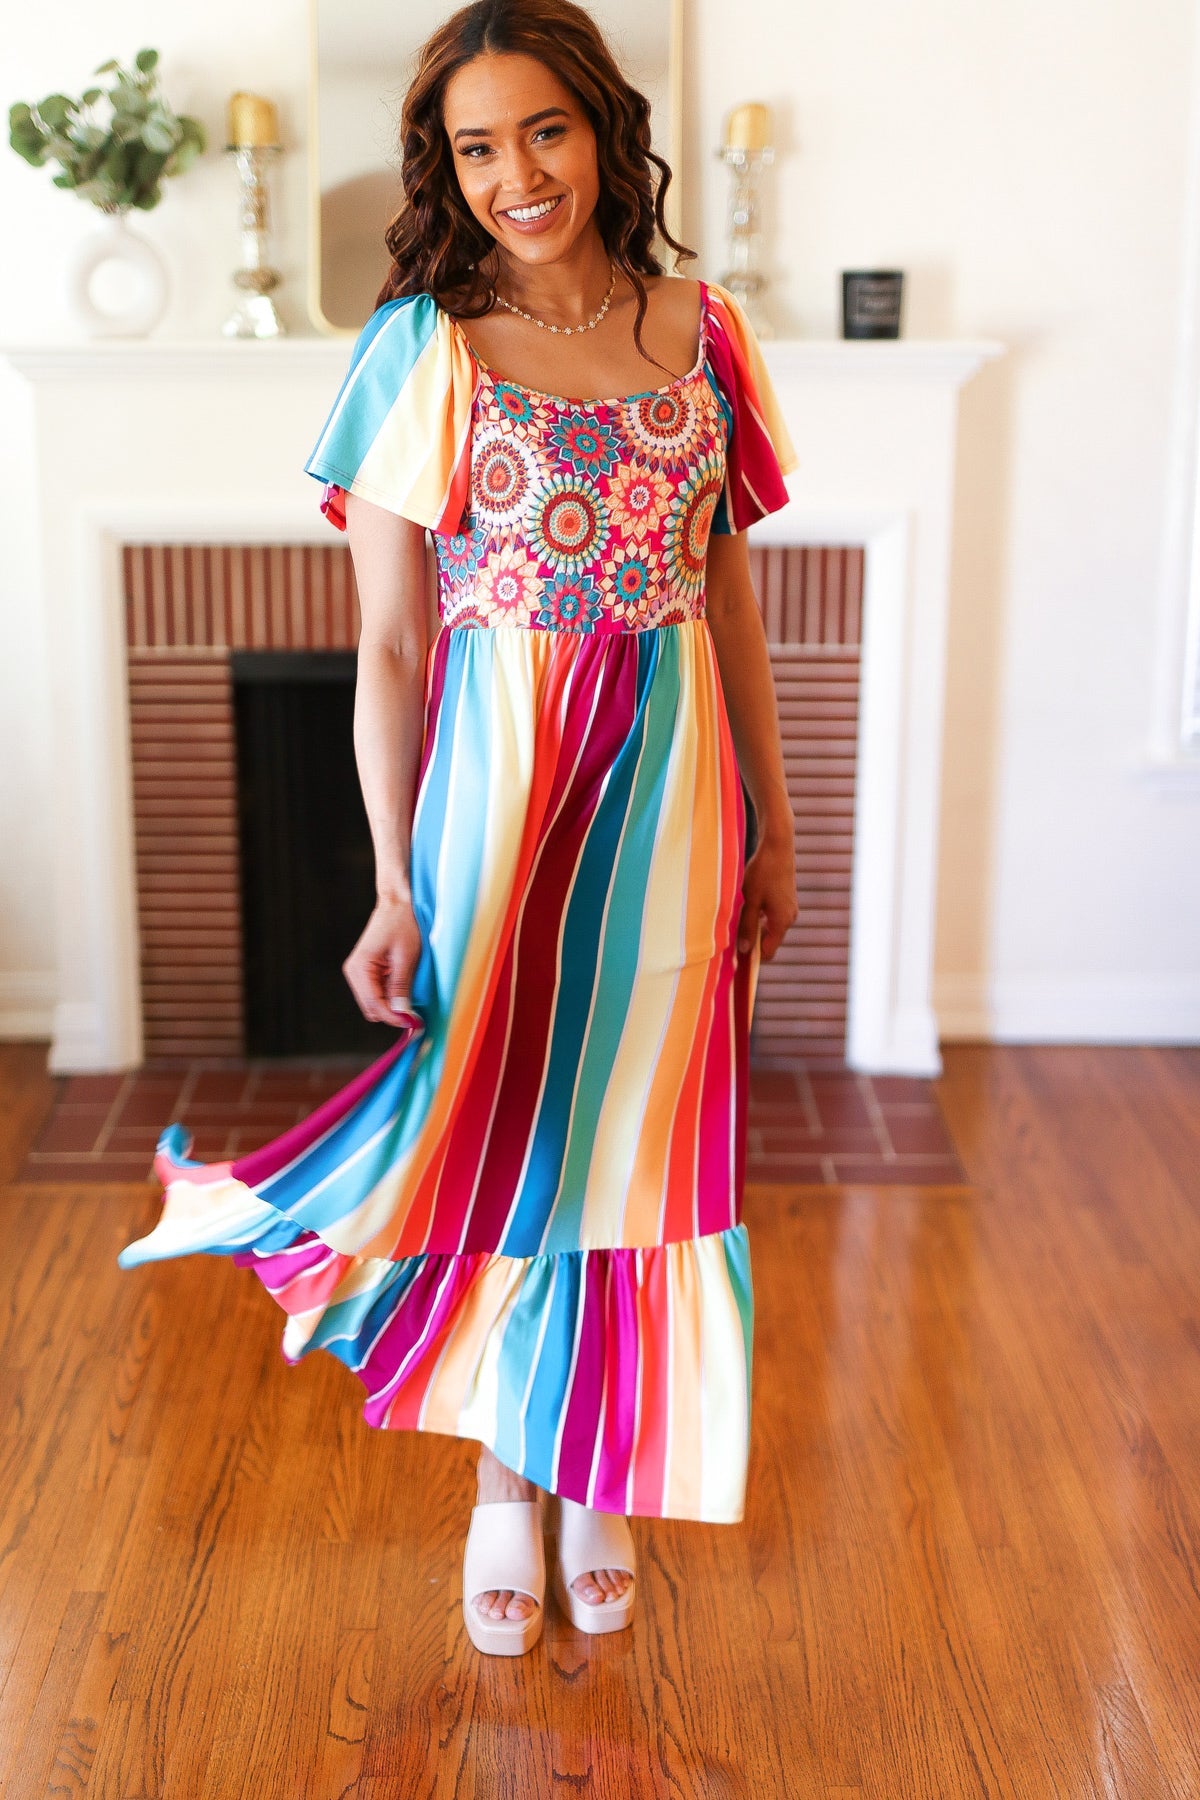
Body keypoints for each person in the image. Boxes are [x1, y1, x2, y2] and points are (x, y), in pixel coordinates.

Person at [119, 0, 799, 1658]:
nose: (517, 175)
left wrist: (777, 826)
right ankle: (509, 1473)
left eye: (544, 130)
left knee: (638, 1143)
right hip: (499, 809)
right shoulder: (421, 345)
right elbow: (388, 644)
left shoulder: (707, 332)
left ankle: (599, 1458)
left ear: (604, 129)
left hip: (677, 808)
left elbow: (730, 604)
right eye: (476, 147)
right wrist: (389, 882)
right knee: (508, 1136)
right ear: (446, 165)